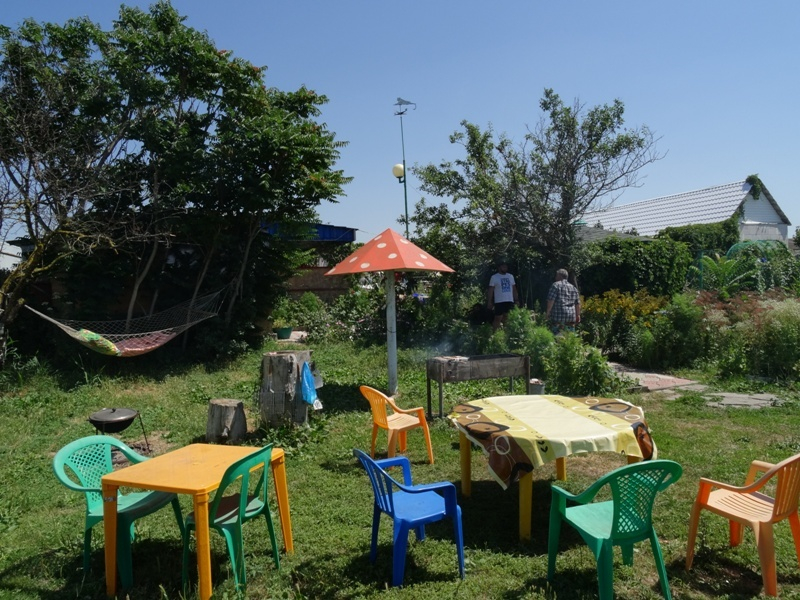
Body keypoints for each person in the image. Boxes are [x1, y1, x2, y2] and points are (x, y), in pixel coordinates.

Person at [546, 268, 580, 334]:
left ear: (560, 276)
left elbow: (551, 300)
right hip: (571, 318)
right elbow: (577, 303)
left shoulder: (556, 285)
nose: (555, 278)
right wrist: (578, 315)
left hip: (558, 317)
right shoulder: (573, 288)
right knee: (569, 338)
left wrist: (548, 313)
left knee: (557, 338)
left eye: (556, 276)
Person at [487, 261, 519, 329]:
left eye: (506, 267)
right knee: (498, 318)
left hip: (509, 300)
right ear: (499, 267)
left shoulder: (510, 276)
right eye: (503, 267)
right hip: (499, 300)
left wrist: (516, 299)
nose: (505, 268)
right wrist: (489, 301)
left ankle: (506, 333)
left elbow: (514, 289)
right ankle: (495, 333)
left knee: (507, 318)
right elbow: (491, 290)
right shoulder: (494, 277)